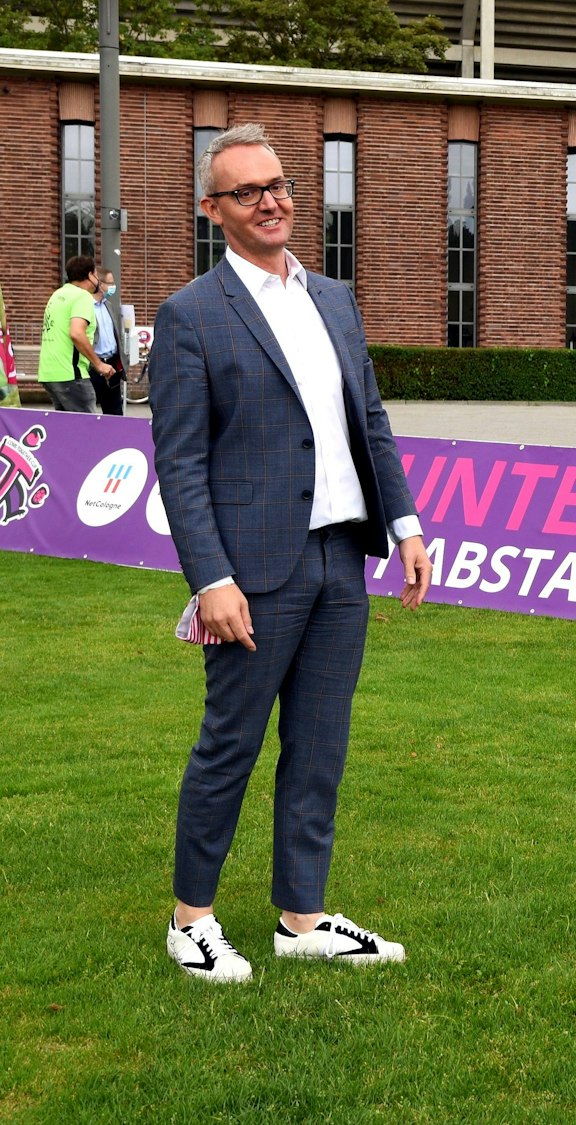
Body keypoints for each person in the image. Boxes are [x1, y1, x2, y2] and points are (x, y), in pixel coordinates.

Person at [151, 123, 433, 982]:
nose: (271, 202)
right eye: (249, 192)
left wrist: (407, 524)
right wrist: (211, 580)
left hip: (340, 561)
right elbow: (181, 463)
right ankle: (190, 918)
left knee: (319, 745)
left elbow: (369, 421)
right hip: (253, 571)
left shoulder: (334, 299)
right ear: (213, 210)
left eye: (279, 186)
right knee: (229, 746)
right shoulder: (191, 315)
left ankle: (301, 917)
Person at [37, 256, 112, 413]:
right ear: (90, 275)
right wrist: (99, 364)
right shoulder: (82, 296)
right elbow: (77, 333)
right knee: (86, 430)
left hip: (49, 373)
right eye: (96, 275)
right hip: (71, 374)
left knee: (66, 431)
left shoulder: (57, 294)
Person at [90, 269, 126, 416]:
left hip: (112, 365)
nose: (113, 286)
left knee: (115, 411)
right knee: (89, 412)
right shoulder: (85, 306)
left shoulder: (108, 305)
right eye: (110, 283)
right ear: (99, 283)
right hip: (93, 365)